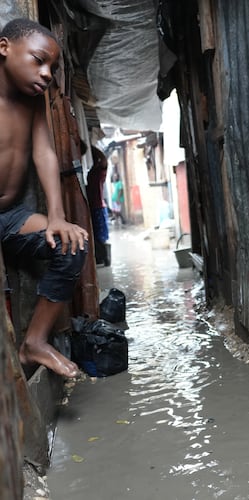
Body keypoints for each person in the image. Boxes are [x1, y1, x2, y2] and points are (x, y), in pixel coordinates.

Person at [0, 18, 88, 378]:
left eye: (52, 66)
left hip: (8, 216)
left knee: (71, 244)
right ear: (5, 48)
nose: (47, 73)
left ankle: (34, 342)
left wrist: (56, 215)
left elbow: (45, 154)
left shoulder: (32, 102)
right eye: (38, 60)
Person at [87, 146, 110, 265]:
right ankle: (102, 258)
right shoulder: (92, 172)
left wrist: (91, 146)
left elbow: (104, 160)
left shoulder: (99, 171)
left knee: (99, 235)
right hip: (94, 206)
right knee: (96, 234)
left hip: (97, 206)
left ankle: (105, 258)